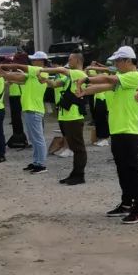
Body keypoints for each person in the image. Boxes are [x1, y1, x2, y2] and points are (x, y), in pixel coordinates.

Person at [76, 46, 138, 224]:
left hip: (129, 131)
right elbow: (104, 85)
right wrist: (86, 91)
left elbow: (108, 78)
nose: (115, 64)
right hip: (117, 130)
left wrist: (86, 78)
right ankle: (126, 203)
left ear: (128, 61)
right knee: (122, 169)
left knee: (132, 170)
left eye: (118, 61)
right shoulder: (121, 80)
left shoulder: (135, 76)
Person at [0, 51, 51, 174]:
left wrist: (6, 67)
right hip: (29, 109)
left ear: (41, 61)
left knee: (38, 138)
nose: (31, 61)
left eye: (34, 60)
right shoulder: (34, 74)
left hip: (34, 109)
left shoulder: (40, 71)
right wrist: (4, 74)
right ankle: (37, 161)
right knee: (34, 138)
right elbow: (20, 78)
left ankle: (41, 164)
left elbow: (21, 68)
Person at [45, 51, 89, 185]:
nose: (68, 62)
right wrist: (45, 80)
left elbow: (61, 70)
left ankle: (79, 175)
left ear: (77, 61)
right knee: (74, 146)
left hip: (73, 116)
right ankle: (75, 173)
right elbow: (54, 84)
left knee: (78, 148)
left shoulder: (79, 74)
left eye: (70, 59)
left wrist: (41, 69)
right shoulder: (70, 76)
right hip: (65, 116)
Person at [6, 51, 29, 149]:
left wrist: (10, 78)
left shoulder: (21, 71)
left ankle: (21, 136)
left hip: (19, 95)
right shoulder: (14, 70)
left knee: (20, 118)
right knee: (15, 118)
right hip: (14, 95)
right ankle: (18, 135)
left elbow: (19, 80)